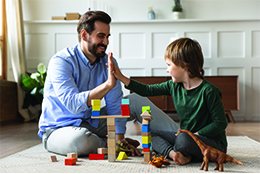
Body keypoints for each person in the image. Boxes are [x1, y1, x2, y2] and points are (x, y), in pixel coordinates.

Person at [38, 10, 180, 157]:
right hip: (59, 129)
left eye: (107, 37)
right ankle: (108, 143)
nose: (106, 42)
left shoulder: (107, 62)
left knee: (137, 100)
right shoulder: (61, 61)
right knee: (81, 140)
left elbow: (114, 105)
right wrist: (107, 85)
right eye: (101, 36)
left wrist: (119, 136)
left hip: (91, 122)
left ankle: (183, 138)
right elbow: (73, 105)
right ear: (84, 35)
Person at [109, 37, 228, 165]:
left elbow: (220, 123)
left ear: (184, 64)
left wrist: (194, 135)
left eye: (169, 65)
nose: (167, 69)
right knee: (149, 134)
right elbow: (146, 90)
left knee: (183, 139)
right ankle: (175, 154)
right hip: (186, 137)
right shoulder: (173, 86)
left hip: (212, 144)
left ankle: (183, 152)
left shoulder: (209, 91)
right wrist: (119, 76)